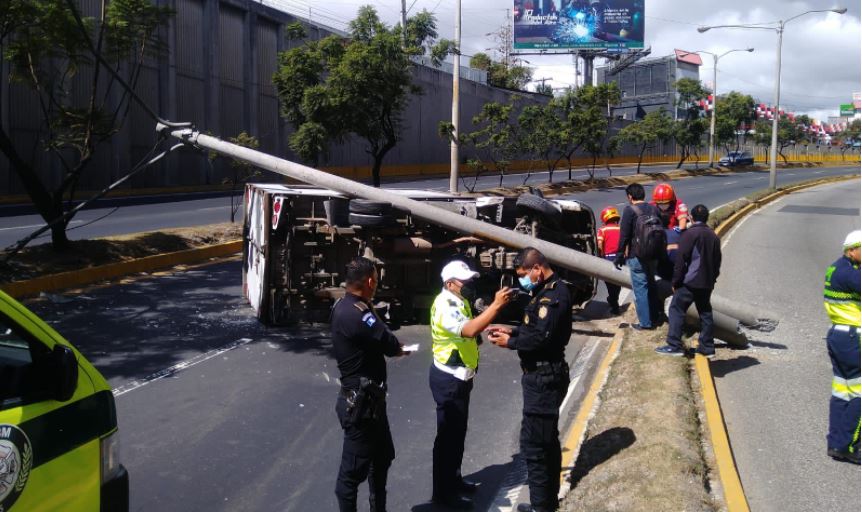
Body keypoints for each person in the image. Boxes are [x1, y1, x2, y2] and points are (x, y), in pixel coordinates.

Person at [487, 248, 571, 512]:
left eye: (524, 274)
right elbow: (535, 329)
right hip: (543, 376)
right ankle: (546, 501)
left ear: (537, 268)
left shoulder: (553, 295)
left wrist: (510, 342)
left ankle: (540, 507)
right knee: (547, 441)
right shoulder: (545, 290)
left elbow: (540, 338)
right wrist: (511, 331)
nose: (523, 280)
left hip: (544, 379)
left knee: (534, 447)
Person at [430, 260, 514, 509]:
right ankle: (443, 495)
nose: (468, 285)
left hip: (462, 376)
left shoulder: (459, 301)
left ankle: (454, 481)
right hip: (449, 379)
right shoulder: (444, 305)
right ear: (450, 284)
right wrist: (496, 306)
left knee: (458, 434)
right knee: (447, 438)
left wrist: (483, 329)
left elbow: (471, 330)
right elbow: (467, 330)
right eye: (464, 281)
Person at [331, 257, 408, 511]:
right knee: (350, 476)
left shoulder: (344, 306)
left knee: (381, 459)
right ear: (370, 282)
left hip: (370, 403)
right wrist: (371, 308)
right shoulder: (360, 314)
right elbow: (390, 343)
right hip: (361, 407)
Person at [655, 204, 722, 357]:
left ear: (691, 218)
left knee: (676, 309)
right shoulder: (713, 236)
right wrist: (712, 279)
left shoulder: (689, 234)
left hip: (690, 281)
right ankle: (707, 347)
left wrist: (676, 282)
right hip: (707, 282)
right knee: (705, 312)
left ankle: (674, 345)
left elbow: (681, 260)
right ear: (707, 218)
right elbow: (717, 261)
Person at [822, 230, 860, 464]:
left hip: (838, 335)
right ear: (852, 250)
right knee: (859, 393)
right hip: (853, 338)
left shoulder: (836, 268)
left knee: (841, 392)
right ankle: (848, 445)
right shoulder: (850, 274)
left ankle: (836, 442)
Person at [614, 183, 663, 330]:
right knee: (652, 285)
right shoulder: (654, 209)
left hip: (637, 256)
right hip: (654, 254)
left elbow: (624, 235)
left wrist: (620, 254)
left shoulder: (629, 210)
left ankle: (645, 323)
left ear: (630, 197)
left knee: (640, 289)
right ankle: (655, 317)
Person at [597, 206, 622, 315]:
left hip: (608, 258)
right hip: (620, 258)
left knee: (610, 283)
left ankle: (614, 303)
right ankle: (613, 299)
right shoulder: (621, 229)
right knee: (618, 282)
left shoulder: (602, 230)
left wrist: (600, 256)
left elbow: (599, 244)